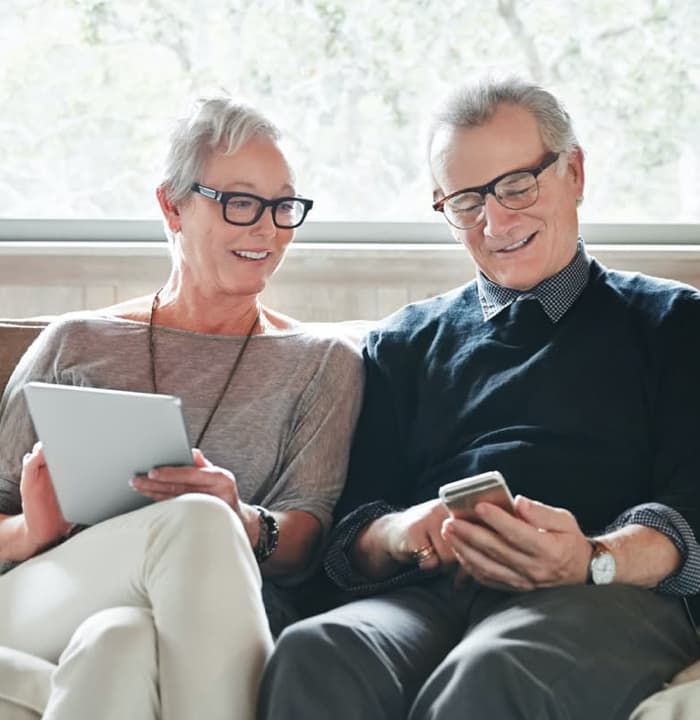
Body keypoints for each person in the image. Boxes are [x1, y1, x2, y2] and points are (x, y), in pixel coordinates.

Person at [258, 76, 700, 720]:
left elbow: (693, 510)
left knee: (492, 671)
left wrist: (589, 557)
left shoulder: (673, 324)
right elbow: (351, 534)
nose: (496, 221)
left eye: (517, 187)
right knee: (318, 649)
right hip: (430, 593)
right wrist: (404, 533)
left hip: (600, 595)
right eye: (467, 201)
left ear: (573, 173)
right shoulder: (402, 343)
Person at [0, 94, 363, 720]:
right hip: (46, 594)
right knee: (196, 521)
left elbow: (309, 539)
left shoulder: (323, 361)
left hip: (191, 622)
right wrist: (34, 530)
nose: (268, 229)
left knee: (120, 645)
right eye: (242, 202)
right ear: (172, 205)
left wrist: (244, 518)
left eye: (283, 207)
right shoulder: (75, 342)